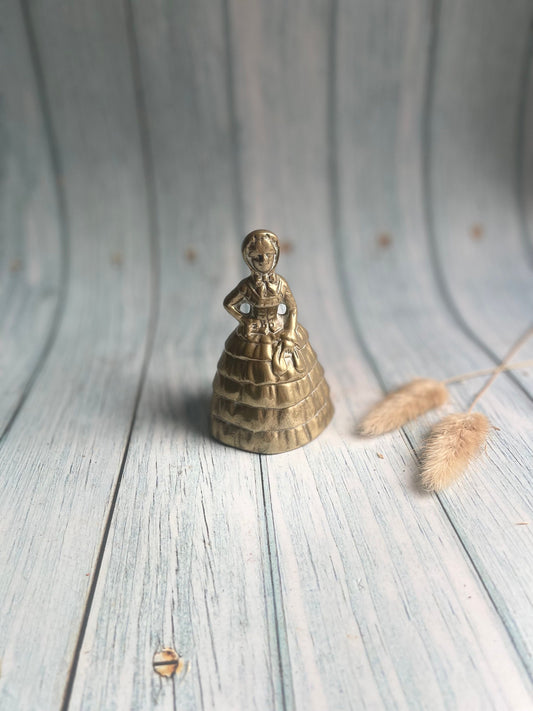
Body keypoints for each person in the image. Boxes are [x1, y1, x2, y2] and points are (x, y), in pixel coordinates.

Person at [210, 229, 333, 453]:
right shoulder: (247, 286)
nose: (263, 260)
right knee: (252, 377)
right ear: (248, 259)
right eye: (257, 256)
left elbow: (292, 309)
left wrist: (290, 332)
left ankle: (291, 429)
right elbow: (229, 303)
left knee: (290, 380)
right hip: (254, 334)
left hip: (279, 329)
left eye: (268, 255)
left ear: (276, 256)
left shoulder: (281, 284)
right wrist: (245, 320)